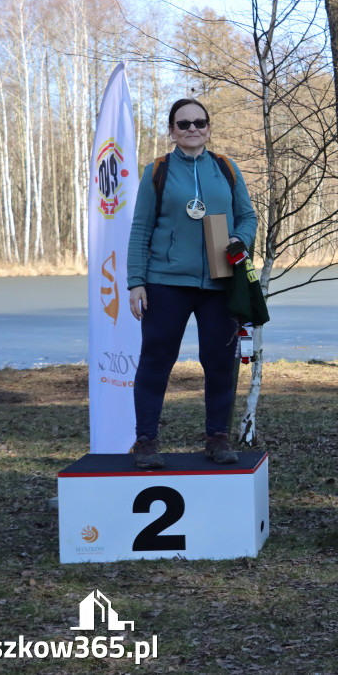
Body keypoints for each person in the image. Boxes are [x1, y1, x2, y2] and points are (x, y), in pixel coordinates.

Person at [126, 98, 258, 469]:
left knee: (219, 362)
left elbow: (248, 216)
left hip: (220, 284)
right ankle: (146, 442)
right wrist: (136, 281)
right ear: (171, 131)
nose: (192, 129)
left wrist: (240, 241)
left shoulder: (226, 169)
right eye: (183, 124)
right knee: (156, 360)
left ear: (209, 128)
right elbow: (140, 230)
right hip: (165, 282)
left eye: (199, 123)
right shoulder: (157, 171)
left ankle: (218, 437)